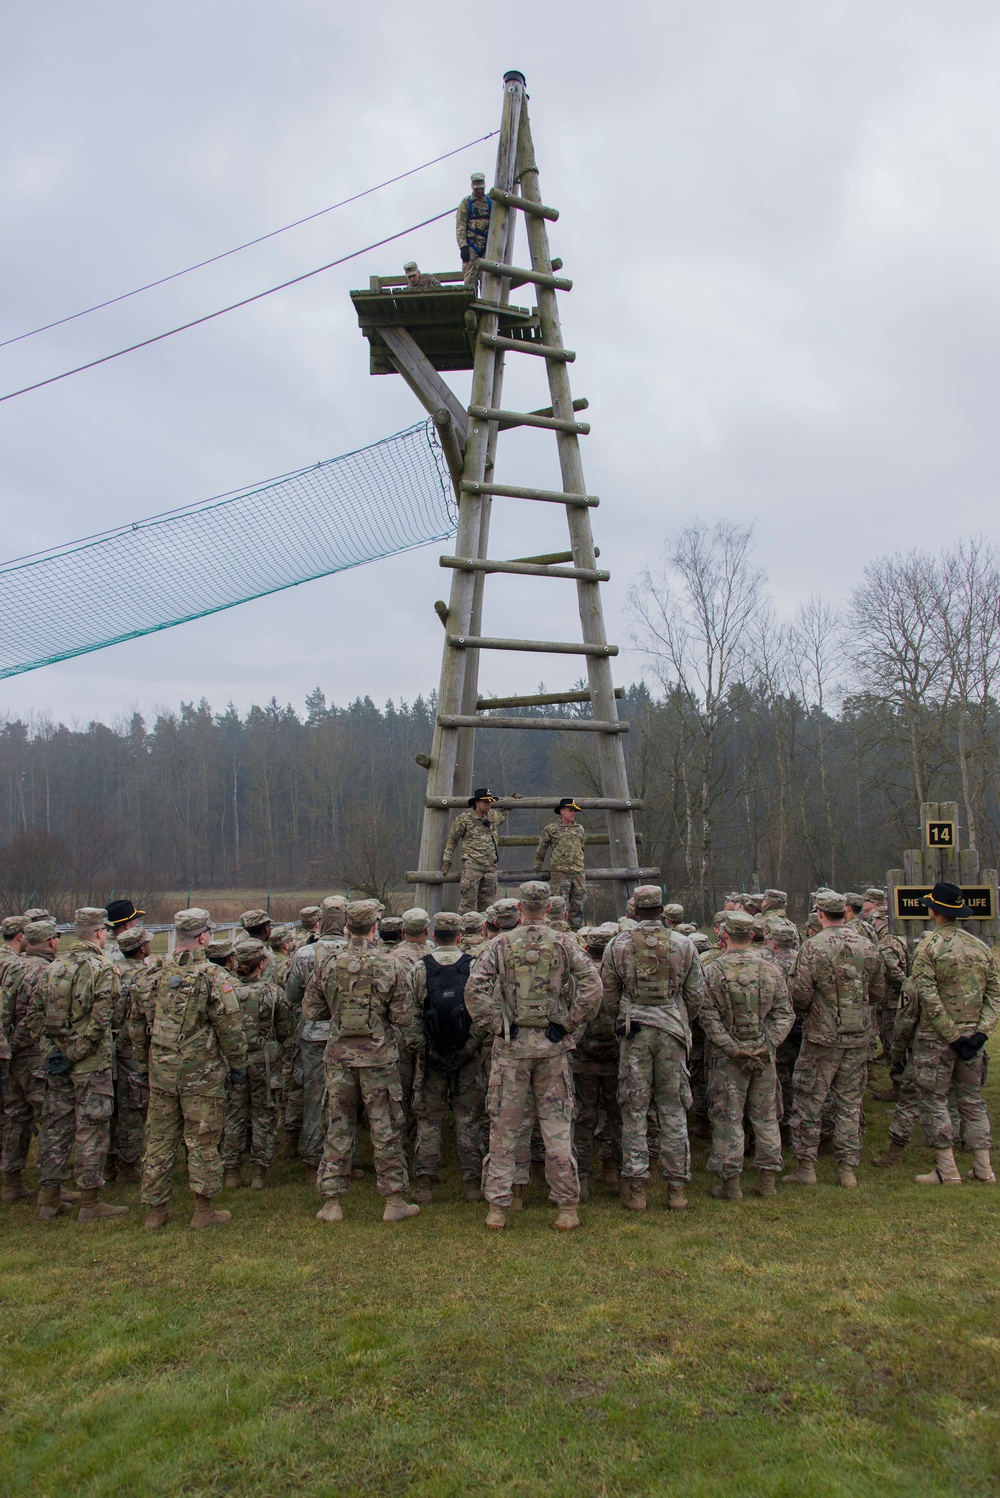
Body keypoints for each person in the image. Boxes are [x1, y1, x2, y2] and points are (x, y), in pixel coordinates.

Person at [465, 881, 602, 1232]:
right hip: (551, 1048)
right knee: (556, 1127)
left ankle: (498, 1206)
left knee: (505, 1127)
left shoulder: (499, 943)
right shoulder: (564, 943)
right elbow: (592, 987)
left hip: (512, 1048)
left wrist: (496, 1025)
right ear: (548, 908)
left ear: (521, 908)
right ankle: (566, 1207)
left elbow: (475, 989)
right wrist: (568, 1023)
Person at [131, 908, 248, 1229]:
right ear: (203, 937)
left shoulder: (151, 975)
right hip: (202, 1074)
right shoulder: (213, 977)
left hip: (162, 1072)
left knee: (159, 1139)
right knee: (202, 1140)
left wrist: (144, 1065)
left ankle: (155, 1211)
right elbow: (230, 1027)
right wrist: (238, 1064)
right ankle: (203, 1210)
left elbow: (137, 1027)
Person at [312, 899, 419, 1224]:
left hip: (339, 1057)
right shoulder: (389, 965)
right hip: (378, 1059)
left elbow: (311, 1011)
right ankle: (393, 1200)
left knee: (338, 1125)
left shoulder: (328, 964)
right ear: (375, 928)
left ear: (347, 927)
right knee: (385, 1125)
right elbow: (404, 1016)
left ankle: (332, 1202)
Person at [601, 886, 704, 1212]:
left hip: (635, 1035)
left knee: (634, 1110)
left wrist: (626, 1016)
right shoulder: (684, 944)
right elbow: (696, 995)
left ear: (633, 911)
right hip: (672, 1033)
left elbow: (608, 994)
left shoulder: (618, 945)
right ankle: (676, 1190)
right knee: (673, 1110)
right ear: (661, 910)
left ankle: (637, 1190)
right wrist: (676, 1017)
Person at [785, 891, 882, 1189]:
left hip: (821, 1037)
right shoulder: (867, 944)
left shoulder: (813, 947)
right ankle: (847, 1170)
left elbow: (799, 993)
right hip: (858, 1035)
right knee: (850, 1102)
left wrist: (809, 1010)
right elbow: (879, 992)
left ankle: (806, 1166)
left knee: (810, 1099)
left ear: (820, 914)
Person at [35, 907, 126, 1222]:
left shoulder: (53, 966)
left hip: (57, 1063)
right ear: (100, 933)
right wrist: (76, 1052)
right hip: (91, 1064)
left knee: (55, 1128)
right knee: (92, 1129)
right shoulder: (102, 967)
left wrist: (53, 1053)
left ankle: (49, 1199)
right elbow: (104, 1019)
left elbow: (36, 1016)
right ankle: (90, 1203)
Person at [908, 881, 1000, 1186]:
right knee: (972, 1101)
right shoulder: (981, 947)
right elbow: (994, 994)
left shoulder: (929, 947)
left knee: (935, 1100)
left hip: (939, 1040)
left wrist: (951, 1035)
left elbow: (928, 995)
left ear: (934, 911)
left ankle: (947, 1170)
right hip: (972, 1040)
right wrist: (980, 1034)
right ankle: (983, 1168)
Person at [699, 911, 794, 1200]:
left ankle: (731, 1185)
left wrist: (732, 1048)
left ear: (724, 935)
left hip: (728, 1060)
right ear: (752, 936)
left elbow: (707, 1016)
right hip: (763, 1056)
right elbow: (784, 1014)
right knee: (765, 1118)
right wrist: (768, 1045)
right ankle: (767, 1181)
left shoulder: (713, 971)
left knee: (728, 1118)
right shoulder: (771, 970)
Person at [409, 910, 486, 1203]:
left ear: (432, 935)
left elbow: (410, 1017)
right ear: (460, 935)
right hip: (466, 1057)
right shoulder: (474, 967)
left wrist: (426, 1053)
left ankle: (424, 1184)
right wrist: (469, 1050)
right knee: (468, 1119)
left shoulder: (419, 969)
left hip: (432, 1059)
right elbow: (484, 1014)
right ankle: (472, 1184)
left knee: (429, 1120)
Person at [222, 939, 293, 1190]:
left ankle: (230, 1171)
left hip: (234, 1061)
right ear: (262, 964)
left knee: (233, 1115)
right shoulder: (272, 993)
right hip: (266, 1061)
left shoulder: (224, 990)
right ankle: (259, 1174)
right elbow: (285, 1030)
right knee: (264, 1114)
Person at [289, 896, 349, 1182]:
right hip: (348, 1035)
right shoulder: (356, 951)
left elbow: (291, 995)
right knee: (347, 1100)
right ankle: (345, 1161)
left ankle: (314, 1162)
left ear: (319, 921)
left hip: (314, 1034)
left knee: (314, 1097)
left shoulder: (304, 954)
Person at [1, 918, 58, 1204]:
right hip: (33, 1054)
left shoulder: (12, 966)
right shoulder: (44, 972)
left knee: (15, 1118)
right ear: (50, 941)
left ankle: (11, 1182)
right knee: (49, 1118)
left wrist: (7, 1048)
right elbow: (32, 1019)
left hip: (10, 1056)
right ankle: (51, 1187)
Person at [571, 923, 623, 1197]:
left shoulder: (578, 975)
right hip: (617, 1055)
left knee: (583, 1117)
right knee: (618, 1116)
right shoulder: (620, 973)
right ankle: (616, 1173)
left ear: (586, 947)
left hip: (583, 1057)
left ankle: (582, 1179)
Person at [105, 924, 151, 1185]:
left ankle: (108, 1163)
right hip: (131, 1047)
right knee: (133, 1107)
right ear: (141, 948)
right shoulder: (145, 976)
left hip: (106, 1044)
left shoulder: (111, 970)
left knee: (108, 1107)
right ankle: (128, 1166)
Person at [441, 787, 523, 914]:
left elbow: (503, 815)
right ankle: (465, 932)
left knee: (488, 907)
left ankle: (486, 932)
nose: (488, 804)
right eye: (485, 802)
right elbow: (452, 840)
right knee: (467, 905)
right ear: (476, 803)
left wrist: (511, 800)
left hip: (490, 866)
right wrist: (447, 860)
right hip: (472, 866)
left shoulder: (493, 816)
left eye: (490, 801)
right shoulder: (463, 819)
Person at [532, 799, 587, 930]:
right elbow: (542, 849)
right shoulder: (552, 829)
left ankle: (575, 932)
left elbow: (582, 847)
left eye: (575, 811)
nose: (573, 813)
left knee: (578, 905)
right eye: (570, 810)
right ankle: (556, 931)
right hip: (560, 873)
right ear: (562, 811)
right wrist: (537, 868)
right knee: (557, 904)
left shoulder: (579, 829)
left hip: (578, 873)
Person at [456, 172, 491, 289]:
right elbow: (460, 226)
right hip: (472, 246)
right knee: (470, 280)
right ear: (472, 187)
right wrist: (463, 246)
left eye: (481, 189)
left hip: (487, 246)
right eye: (477, 189)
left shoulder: (491, 203)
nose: (479, 191)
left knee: (488, 279)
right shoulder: (466, 203)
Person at [105, 898, 145, 963]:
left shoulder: (102, 945)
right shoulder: (127, 951)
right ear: (127, 926)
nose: (136, 922)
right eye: (135, 921)